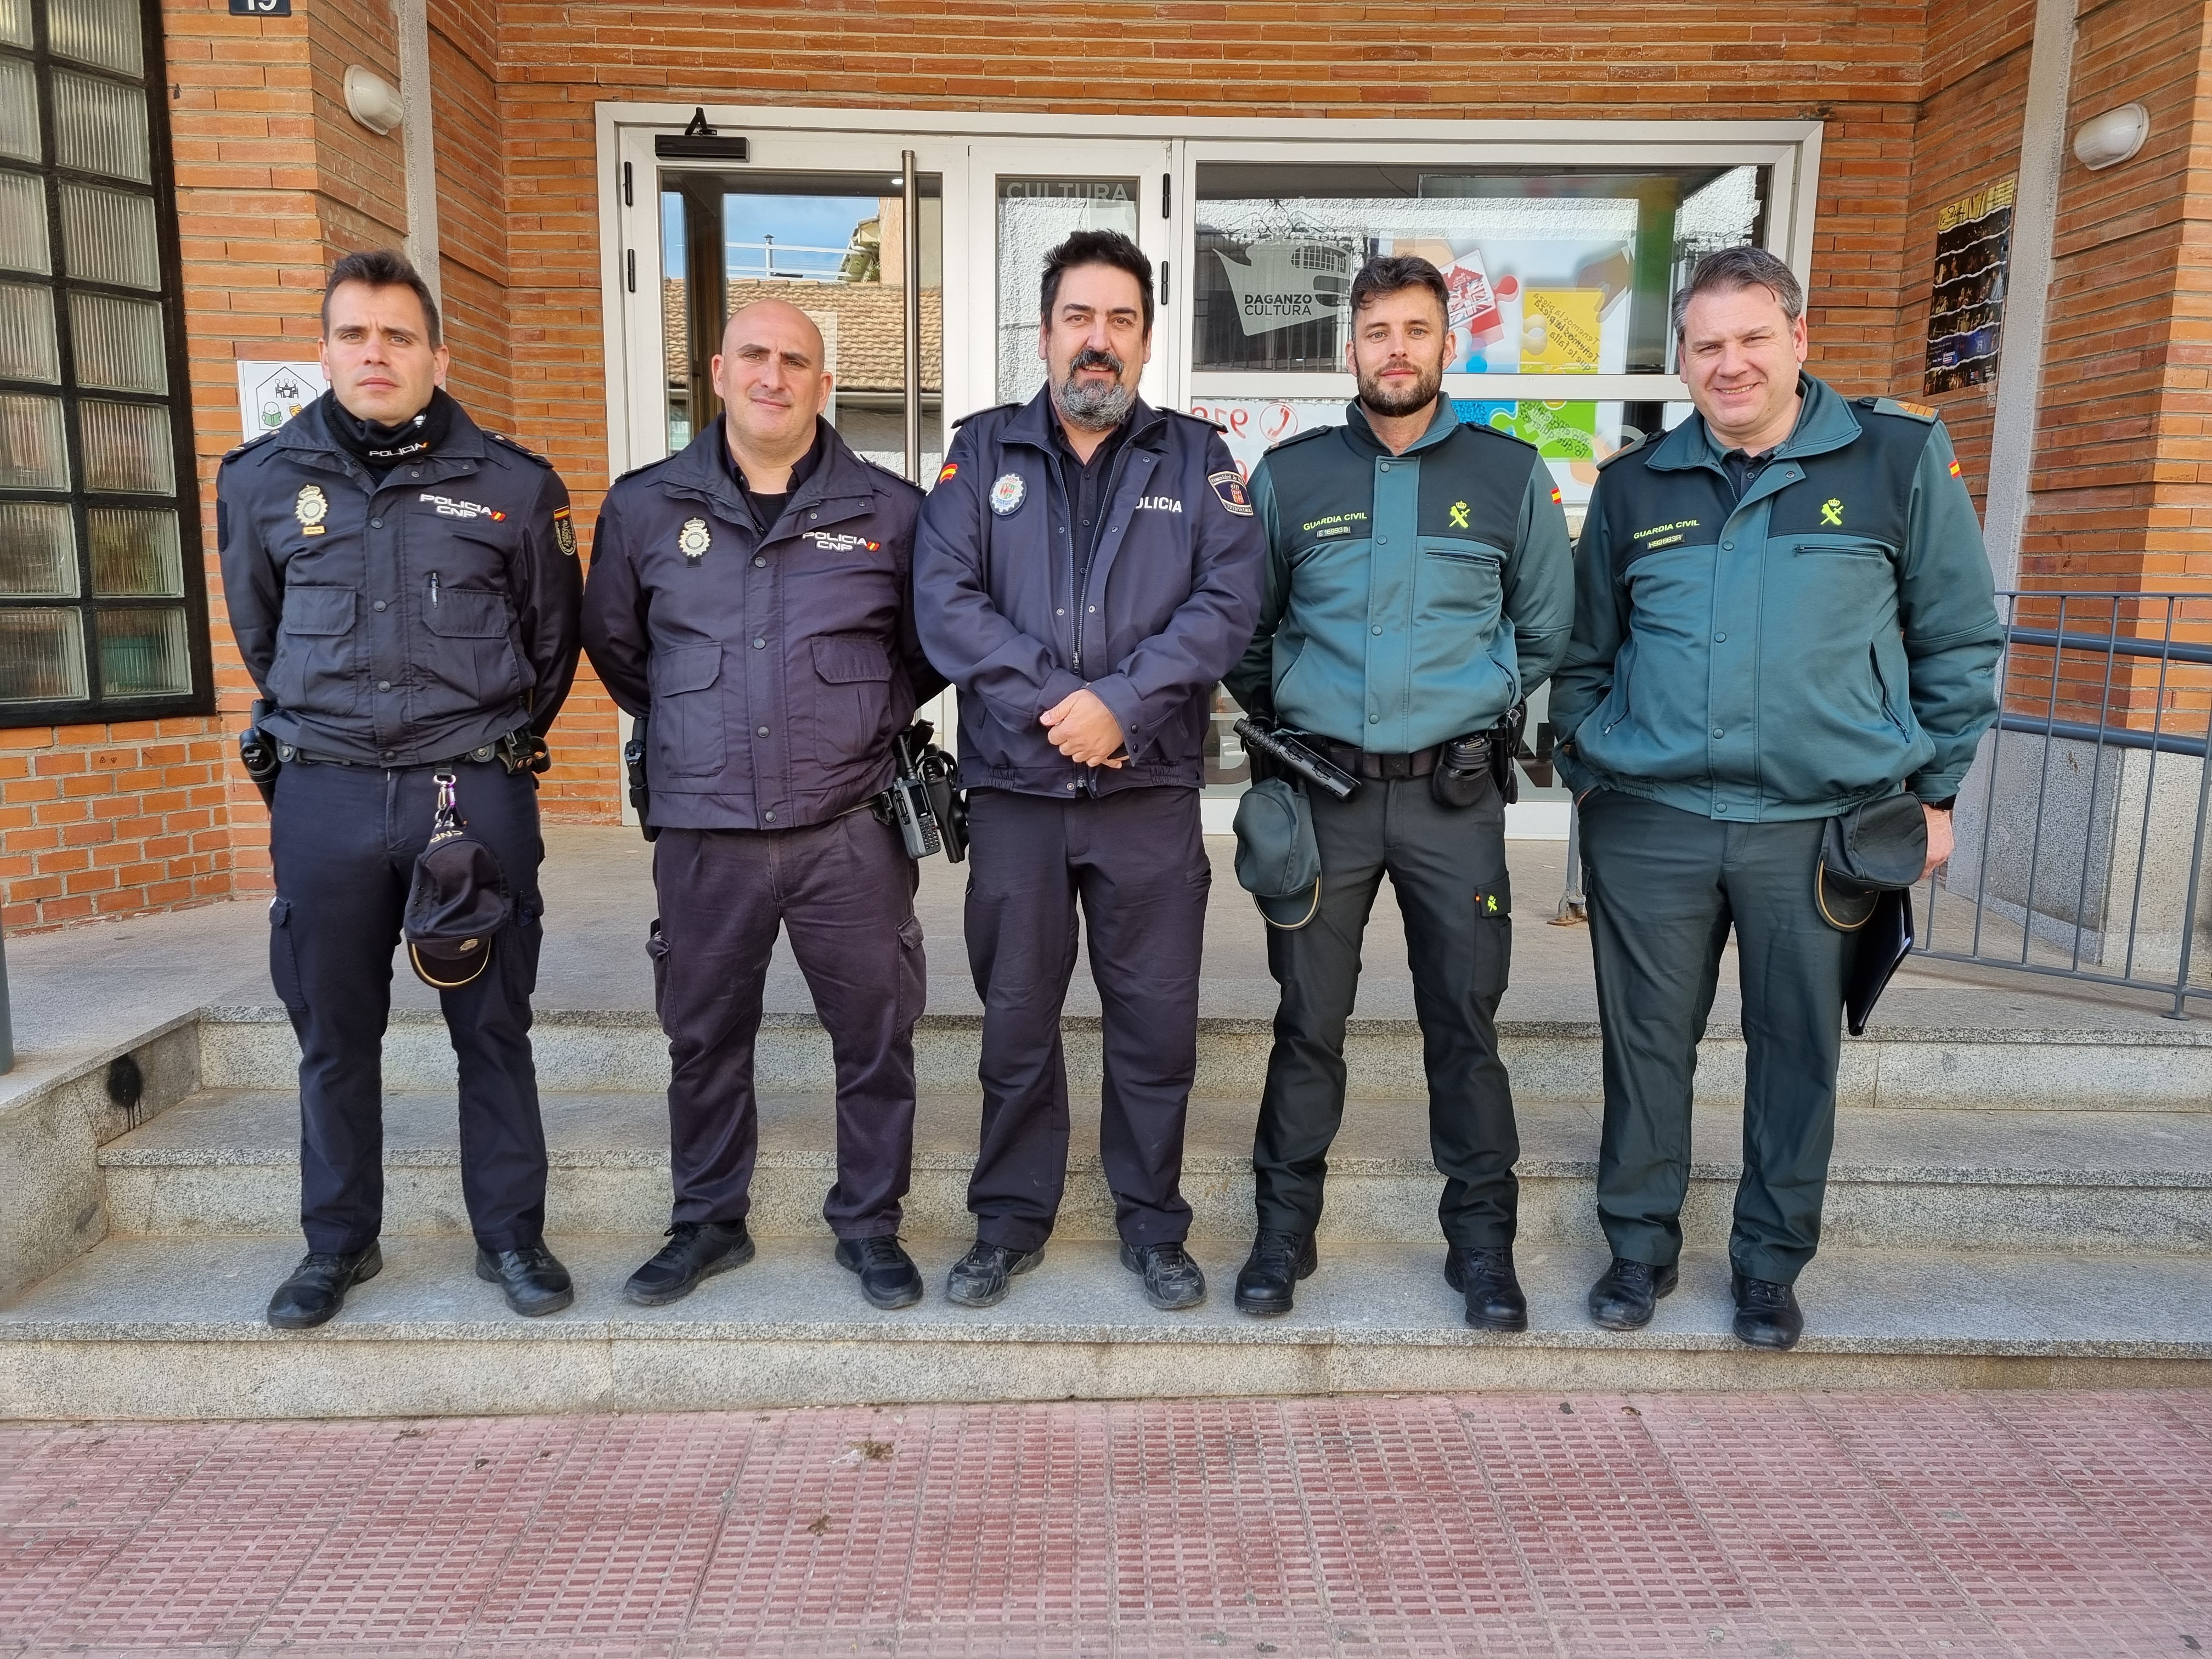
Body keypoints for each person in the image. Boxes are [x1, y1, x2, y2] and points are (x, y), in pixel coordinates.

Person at [1550, 245, 2002, 1351]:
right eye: (1707, 345)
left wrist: (1934, 794)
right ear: (1684, 361)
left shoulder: (1897, 458)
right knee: (1645, 1048)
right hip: (1653, 824)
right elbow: (1584, 653)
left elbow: (1957, 638)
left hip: (1818, 830)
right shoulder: (1636, 485)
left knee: (1799, 1052)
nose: (1731, 364)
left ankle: (1767, 1265)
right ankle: (1638, 1248)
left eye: (1754, 338)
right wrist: (1592, 772)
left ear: (1799, 339)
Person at [217, 249, 583, 1328]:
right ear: (324, 350)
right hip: (324, 796)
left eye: (398, 336)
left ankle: (511, 1237)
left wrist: (473, 746)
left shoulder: (514, 487)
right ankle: (337, 1244)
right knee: (334, 1037)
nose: (375, 353)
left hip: (469, 792)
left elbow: (551, 646)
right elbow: (260, 635)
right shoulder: (260, 482)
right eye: (354, 334)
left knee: (493, 1029)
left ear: (438, 356)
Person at [915, 230, 1265, 1311]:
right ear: (1045, 333)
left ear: (1147, 340)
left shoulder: (1198, 461)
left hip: (1145, 792)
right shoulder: (979, 454)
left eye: (1120, 320)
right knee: (1017, 1020)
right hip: (1016, 793)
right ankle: (1008, 1223)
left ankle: (1153, 1226)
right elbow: (945, 601)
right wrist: (1057, 704)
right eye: (1080, 317)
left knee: (1154, 1025)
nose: (1098, 340)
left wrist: (1125, 702)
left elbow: (1229, 603)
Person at [1222, 255, 1575, 1328]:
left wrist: (1476, 706)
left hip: (1451, 805)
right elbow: (1248, 632)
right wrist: (1299, 716)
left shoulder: (1511, 476)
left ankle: (1483, 1250)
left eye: (1417, 331)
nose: (1397, 351)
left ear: (1447, 345)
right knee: (1308, 1022)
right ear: (1352, 349)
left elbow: (1545, 631)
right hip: (1322, 798)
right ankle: (1282, 1235)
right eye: (1377, 332)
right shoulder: (1290, 478)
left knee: (1465, 1024)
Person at [582, 301, 944, 1312]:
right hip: (707, 832)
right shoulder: (645, 507)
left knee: (876, 1037)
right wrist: (707, 735)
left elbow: (923, 653)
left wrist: (851, 721)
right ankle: (708, 1221)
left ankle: (870, 1224)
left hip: (851, 829)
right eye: (754, 356)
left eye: (795, 361)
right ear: (718, 371)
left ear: (825, 384)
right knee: (703, 1038)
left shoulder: (893, 511)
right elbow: (620, 649)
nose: (772, 376)